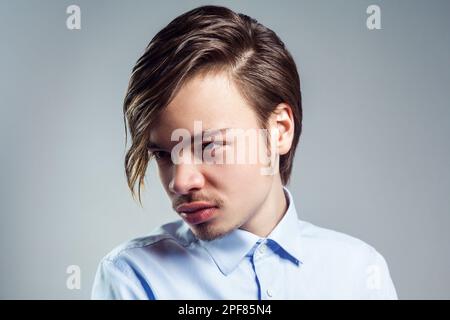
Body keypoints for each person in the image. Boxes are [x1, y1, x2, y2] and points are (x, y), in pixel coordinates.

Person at [91, 5, 397, 299]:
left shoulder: (359, 273)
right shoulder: (133, 277)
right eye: (162, 154)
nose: (180, 182)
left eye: (208, 146)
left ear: (279, 130)